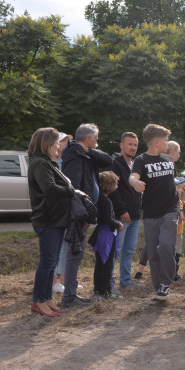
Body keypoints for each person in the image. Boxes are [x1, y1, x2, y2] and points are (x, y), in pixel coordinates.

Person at [60, 123, 114, 308]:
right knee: (75, 252)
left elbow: (108, 160)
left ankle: (70, 294)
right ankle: (69, 297)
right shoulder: (74, 155)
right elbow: (74, 188)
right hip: (78, 213)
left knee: (77, 252)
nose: (97, 144)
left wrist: (89, 151)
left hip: (83, 211)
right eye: (96, 140)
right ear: (89, 139)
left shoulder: (85, 153)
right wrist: (83, 214)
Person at [129, 124, 180, 302]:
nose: (168, 144)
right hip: (150, 212)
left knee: (166, 245)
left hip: (171, 209)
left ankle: (166, 282)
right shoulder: (141, 160)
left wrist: (182, 192)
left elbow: (172, 182)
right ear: (156, 142)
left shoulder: (168, 159)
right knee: (152, 252)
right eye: (166, 141)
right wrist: (134, 182)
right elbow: (133, 176)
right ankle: (159, 288)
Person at [27, 128, 74, 318]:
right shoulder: (40, 163)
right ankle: (38, 301)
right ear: (47, 144)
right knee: (47, 262)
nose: (59, 147)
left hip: (56, 220)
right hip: (48, 220)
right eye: (56, 143)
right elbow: (50, 189)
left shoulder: (48, 163)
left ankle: (47, 299)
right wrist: (71, 190)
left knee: (52, 262)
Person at [135, 140, 185, 282]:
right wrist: (179, 186)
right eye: (178, 152)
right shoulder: (145, 162)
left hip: (171, 211)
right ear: (172, 153)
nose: (179, 155)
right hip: (157, 212)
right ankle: (162, 275)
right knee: (158, 244)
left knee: (165, 244)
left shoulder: (169, 164)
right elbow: (168, 186)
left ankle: (166, 276)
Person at [111, 132, 142, 289]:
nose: (133, 147)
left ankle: (125, 281)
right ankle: (109, 283)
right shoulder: (114, 163)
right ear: (121, 145)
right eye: (130, 144)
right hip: (121, 215)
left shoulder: (136, 164)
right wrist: (122, 210)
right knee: (115, 250)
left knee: (129, 250)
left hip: (136, 214)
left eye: (135, 145)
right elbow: (113, 190)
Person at [90, 170, 123, 301]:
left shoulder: (98, 199)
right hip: (107, 235)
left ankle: (99, 290)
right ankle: (104, 292)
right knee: (106, 264)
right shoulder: (106, 201)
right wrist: (118, 224)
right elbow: (109, 220)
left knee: (100, 264)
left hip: (101, 235)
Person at [52, 133, 72, 294]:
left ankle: (63, 281)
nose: (67, 143)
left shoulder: (66, 161)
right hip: (54, 212)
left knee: (65, 246)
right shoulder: (52, 163)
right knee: (54, 247)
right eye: (64, 141)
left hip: (66, 209)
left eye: (67, 141)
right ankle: (52, 283)